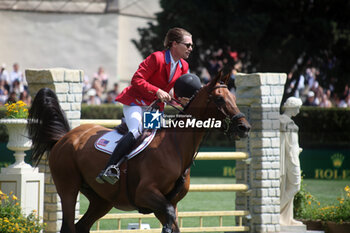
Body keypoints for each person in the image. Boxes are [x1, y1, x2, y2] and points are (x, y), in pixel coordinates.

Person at [96, 27, 195, 184]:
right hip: (136, 102)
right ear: (174, 44)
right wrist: (157, 91)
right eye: (188, 45)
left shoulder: (184, 66)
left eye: (191, 46)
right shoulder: (157, 58)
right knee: (136, 131)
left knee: (159, 138)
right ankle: (110, 168)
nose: (191, 49)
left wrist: (181, 100)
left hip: (154, 108)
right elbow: (136, 80)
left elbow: (174, 94)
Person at [279, 97, 304, 226]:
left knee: (289, 186)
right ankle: (275, 211)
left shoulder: (286, 122)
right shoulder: (284, 122)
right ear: (291, 107)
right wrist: (294, 154)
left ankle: (287, 217)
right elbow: (288, 146)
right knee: (295, 186)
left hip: (291, 156)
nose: (298, 111)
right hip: (290, 159)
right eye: (297, 108)